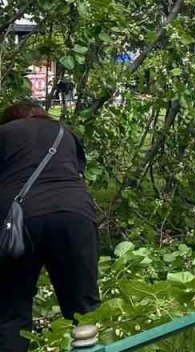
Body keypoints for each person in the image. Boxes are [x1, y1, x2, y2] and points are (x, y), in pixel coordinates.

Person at [0, 103, 98, 352]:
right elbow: (77, 171)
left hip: (20, 219)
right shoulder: (65, 132)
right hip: (74, 214)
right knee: (84, 307)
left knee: (12, 311)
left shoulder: (5, 133)